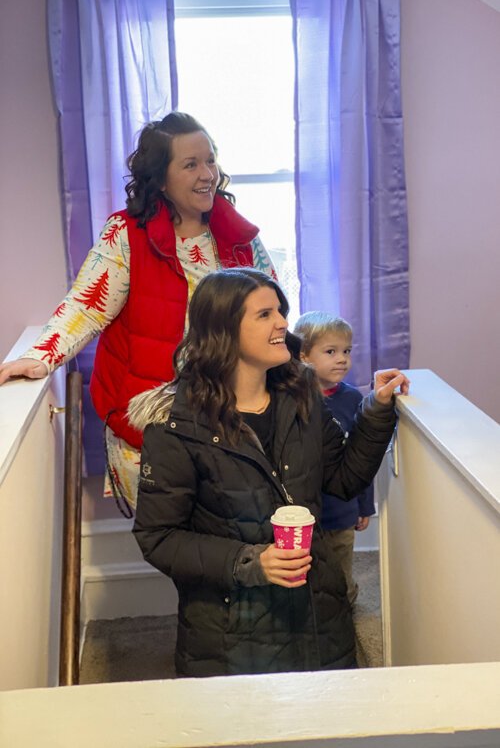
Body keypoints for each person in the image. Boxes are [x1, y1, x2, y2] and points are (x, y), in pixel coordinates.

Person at [128, 268, 410, 677]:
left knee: (326, 732)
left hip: (318, 615)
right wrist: (250, 562)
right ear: (224, 330)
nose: (282, 322)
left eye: (280, 310)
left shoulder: (302, 398)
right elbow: (159, 538)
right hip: (230, 634)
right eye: (264, 315)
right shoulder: (176, 425)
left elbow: (344, 479)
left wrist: (376, 411)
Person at [0, 112, 276, 512]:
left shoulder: (240, 239)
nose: (207, 174)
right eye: (191, 164)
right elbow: (86, 305)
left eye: (211, 160)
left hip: (230, 421)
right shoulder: (126, 236)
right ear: (161, 180)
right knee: (175, 548)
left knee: (229, 546)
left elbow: (275, 314)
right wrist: (41, 357)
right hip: (151, 429)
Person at [294, 311, 375, 606]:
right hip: (301, 513)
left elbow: (361, 458)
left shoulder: (353, 400)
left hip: (341, 512)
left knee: (340, 573)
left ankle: (345, 609)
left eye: (346, 351)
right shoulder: (290, 398)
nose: (342, 359)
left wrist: (365, 504)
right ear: (303, 355)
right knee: (305, 577)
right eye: (331, 352)